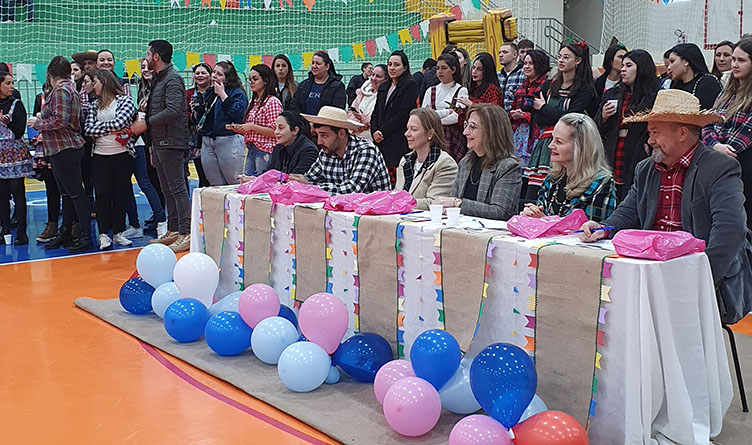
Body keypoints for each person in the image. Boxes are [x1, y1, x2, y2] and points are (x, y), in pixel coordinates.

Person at [580, 89, 752, 325]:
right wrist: (604, 228)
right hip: (652, 274)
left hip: (704, 276)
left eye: (655, 133)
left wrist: (701, 279)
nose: (650, 140)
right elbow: (629, 211)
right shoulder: (645, 169)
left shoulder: (720, 168)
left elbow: (730, 230)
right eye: (650, 133)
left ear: (682, 133)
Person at [130, 40, 191, 253]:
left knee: (177, 188)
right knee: (167, 189)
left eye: (148, 54)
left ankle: (186, 232)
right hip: (159, 141)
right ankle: (174, 229)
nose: (145, 57)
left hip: (171, 141)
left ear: (156, 56)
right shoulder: (159, 78)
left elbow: (173, 110)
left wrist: (146, 123)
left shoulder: (172, 79)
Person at [27, 56, 92, 254]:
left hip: (65, 147)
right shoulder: (68, 88)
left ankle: (85, 235)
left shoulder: (61, 90)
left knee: (75, 193)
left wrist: (38, 123)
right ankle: (66, 231)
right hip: (61, 147)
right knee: (68, 193)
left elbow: (60, 121)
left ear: (49, 74)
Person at [525, 42, 595, 201]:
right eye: (559, 57)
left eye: (566, 57)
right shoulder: (549, 85)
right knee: (533, 192)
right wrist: (551, 113)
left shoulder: (584, 88)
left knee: (559, 188)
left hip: (569, 143)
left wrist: (544, 108)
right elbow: (539, 118)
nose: (561, 60)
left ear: (578, 61)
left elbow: (572, 117)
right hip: (545, 142)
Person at [521, 113, 616, 222]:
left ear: (580, 147)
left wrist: (544, 221)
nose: (550, 146)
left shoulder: (601, 183)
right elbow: (540, 213)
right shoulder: (553, 177)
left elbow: (592, 229)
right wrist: (531, 215)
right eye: (552, 139)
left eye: (559, 142)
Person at [434, 103, 522, 220]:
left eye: (472, 127)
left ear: (491, 131)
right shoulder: (465, 163)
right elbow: (452, 204)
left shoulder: (508, 167)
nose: (465, 132)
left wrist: (457, 203)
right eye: (466, 125)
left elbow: (500, 212)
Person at [596, 49, 660, 201]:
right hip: (613, 151)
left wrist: (648, 145)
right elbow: (597, 127)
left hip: (638, 153)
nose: (623, 69)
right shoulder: (612, 93)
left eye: (629, 66)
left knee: (634, 195)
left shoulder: (655, 96)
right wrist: (603, 117)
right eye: (622, 65)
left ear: (642, 68)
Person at [84, 70, 137, 250]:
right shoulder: (94, 105)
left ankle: (119, 231)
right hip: (100, 156)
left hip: (122, 154)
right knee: (102, 194)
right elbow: (88, 129)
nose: (93, 86)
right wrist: (111, 130)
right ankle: (103, 233)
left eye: (95, 82)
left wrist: (102, 128)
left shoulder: (125, 101)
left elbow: (120, 123)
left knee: (120, 193)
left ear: (105, 82)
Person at [703, 38, 752, 230]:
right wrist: (714, 145)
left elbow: (747, 131)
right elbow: (708, 122)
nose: (735, 64)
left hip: (743, 163)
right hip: (718, 159)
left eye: (742, 60)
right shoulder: (727, 92)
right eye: (734, 59)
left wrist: (726, 149)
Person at [292, 106, 390, 195]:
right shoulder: (326, 152)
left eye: (324, 135)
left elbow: (353, 190)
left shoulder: (366, 151)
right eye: (317, 135)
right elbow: (311, 178)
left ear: (341, 134)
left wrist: (311, 187)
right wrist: (298, 182)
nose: (319, 141)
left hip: (373, 208)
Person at [194, 61, 248, 186]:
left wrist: (223, 95)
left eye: (219, 74)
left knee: (234, 181)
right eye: (214, 72)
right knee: (214, 183)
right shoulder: (209, 92)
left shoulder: (237, 93)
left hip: (228, 138)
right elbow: (203, 118)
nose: (214, 76)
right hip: (208, 140)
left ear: (227, 78)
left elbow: (237, 115)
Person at [371, 50, 418, 184]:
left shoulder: (410, 85)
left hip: (397, 139)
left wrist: (382, 132)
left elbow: (404, 114)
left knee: (397, 181)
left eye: (396, 65)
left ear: (405, 67)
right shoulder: (384, 86)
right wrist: (374, 131)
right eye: (390, 64)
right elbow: (376, 113)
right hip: (380, 141)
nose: (392, 68)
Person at [395, 108, 457, 210]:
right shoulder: (404, 161)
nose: (407, 134)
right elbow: (396, 194)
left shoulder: (445, 163)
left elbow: (434, 202)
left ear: (430, 134)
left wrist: (399, 203)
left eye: (414, 129)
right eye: (407, 128)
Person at [133, 59, 166, 235]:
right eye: (142, 68)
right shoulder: (143, 90)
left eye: (148, 67)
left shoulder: (161, 89)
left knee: (162, 180)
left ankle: (166, 217)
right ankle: (158, 214)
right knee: (152, 179)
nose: (145, 70)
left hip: (158, 140)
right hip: (145, 141)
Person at [0, 69, 32, 245]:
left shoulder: (16, 104)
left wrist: (9, 123)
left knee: (18, 192)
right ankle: (4, 230)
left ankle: (21, 231)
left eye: (12, 83)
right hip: (0, 154)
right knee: (2, 194)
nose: (11, 86)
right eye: (8, 83)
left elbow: (19, 131)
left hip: (14, 153)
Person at [233, 64, 282, 175]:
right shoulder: (253, 102)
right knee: (249, 182)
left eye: (255, 79)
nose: (251, 82)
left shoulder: (272, 102)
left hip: (266, 150)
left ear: (265, 81)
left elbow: (276, 132)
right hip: (252, 148)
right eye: (250, 79)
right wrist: (241, 129)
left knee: (262, 183)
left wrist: (252, 127)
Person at [422, 52, 469, 163]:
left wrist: (434, 115)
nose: (440, 72)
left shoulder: (461, 90)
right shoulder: (431, 90)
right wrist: (448, 111)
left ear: (453, 70)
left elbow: (456, 117)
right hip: (433, 136)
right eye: (438, 68)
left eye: (444, 68)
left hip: (453, 137)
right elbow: (424, 116)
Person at [509, 49, 550, 172]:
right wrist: (514, 114)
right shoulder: (521, 87)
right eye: (525, 63)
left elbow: (546, 114)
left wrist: (525, 116)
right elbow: (513, 108)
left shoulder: (546, 86)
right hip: (520, 135)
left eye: (531, 63)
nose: (526, 67)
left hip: (538, 134)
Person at [31, 83, 61, 243]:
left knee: (70, 190)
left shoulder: (67, 96)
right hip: (46, 147)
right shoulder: (41, 98)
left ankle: (73, 225)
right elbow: (35, 123)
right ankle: (53, 224)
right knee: (51, 187)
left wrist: (41, 121)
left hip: (64, 146)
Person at [667, 43, 722, 110]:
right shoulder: (675, 85)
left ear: (686, 62)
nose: (669, 67)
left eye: (672, 61)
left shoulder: (707, 82)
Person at [289, 51, 346, 116]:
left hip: (327, 122)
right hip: (304, 121)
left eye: (318, 63)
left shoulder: (337, 86)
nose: (314, 66)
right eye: (313, 63)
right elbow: (294, 106)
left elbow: (337, 110)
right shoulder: (304, 85)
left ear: (327, 67)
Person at [186, 62, 212, 189]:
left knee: (213, 174)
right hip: (195, 139)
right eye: (197, 73)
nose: (200, 75)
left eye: (203, 73)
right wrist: (193, 115)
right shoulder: (189, 94)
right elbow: (183, 113)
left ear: (210, 75)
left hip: (212, 135)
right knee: (202, 174)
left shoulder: (215, 92)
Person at [347, 64, 386, 140]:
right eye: (372, 75)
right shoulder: (362, 92)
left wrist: (362, 120)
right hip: (356, 135)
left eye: (378, 76)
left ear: (386, 79)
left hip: (373, 137)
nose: (373, 78)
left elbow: (376, 117)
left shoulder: (386, 96)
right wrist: (357, 125)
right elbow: (351, 111)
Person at [594, 43, 627, 108]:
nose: (624, 61)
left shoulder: (627, 84)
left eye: (626, 58)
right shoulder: (598, 83)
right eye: (620, 57)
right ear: (610, 59)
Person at [497, 42, 525, 113]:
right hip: (498, 116)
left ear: (515, 55)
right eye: (499, 52)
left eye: (505, 52)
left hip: (516, 116)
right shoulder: (497, 76)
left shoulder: (523, 74)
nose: (500, 55)